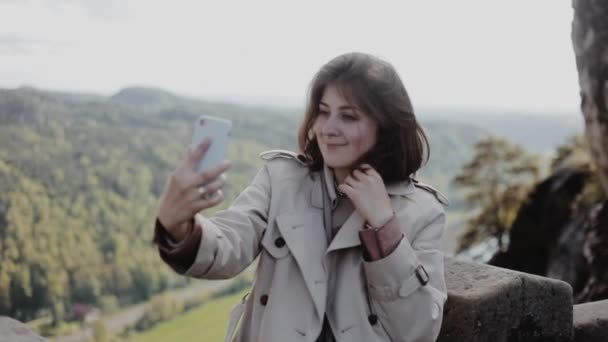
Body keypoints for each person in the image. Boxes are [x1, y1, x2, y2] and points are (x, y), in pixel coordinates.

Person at [153, 52, 449, 342]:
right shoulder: (281, 179)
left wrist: (384, 228)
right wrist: (178, 225)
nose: (328, 128)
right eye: (323, 111)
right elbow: (229, 246)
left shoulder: (423, 212)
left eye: (348, 116)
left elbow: (420, 330)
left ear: (385, 126)